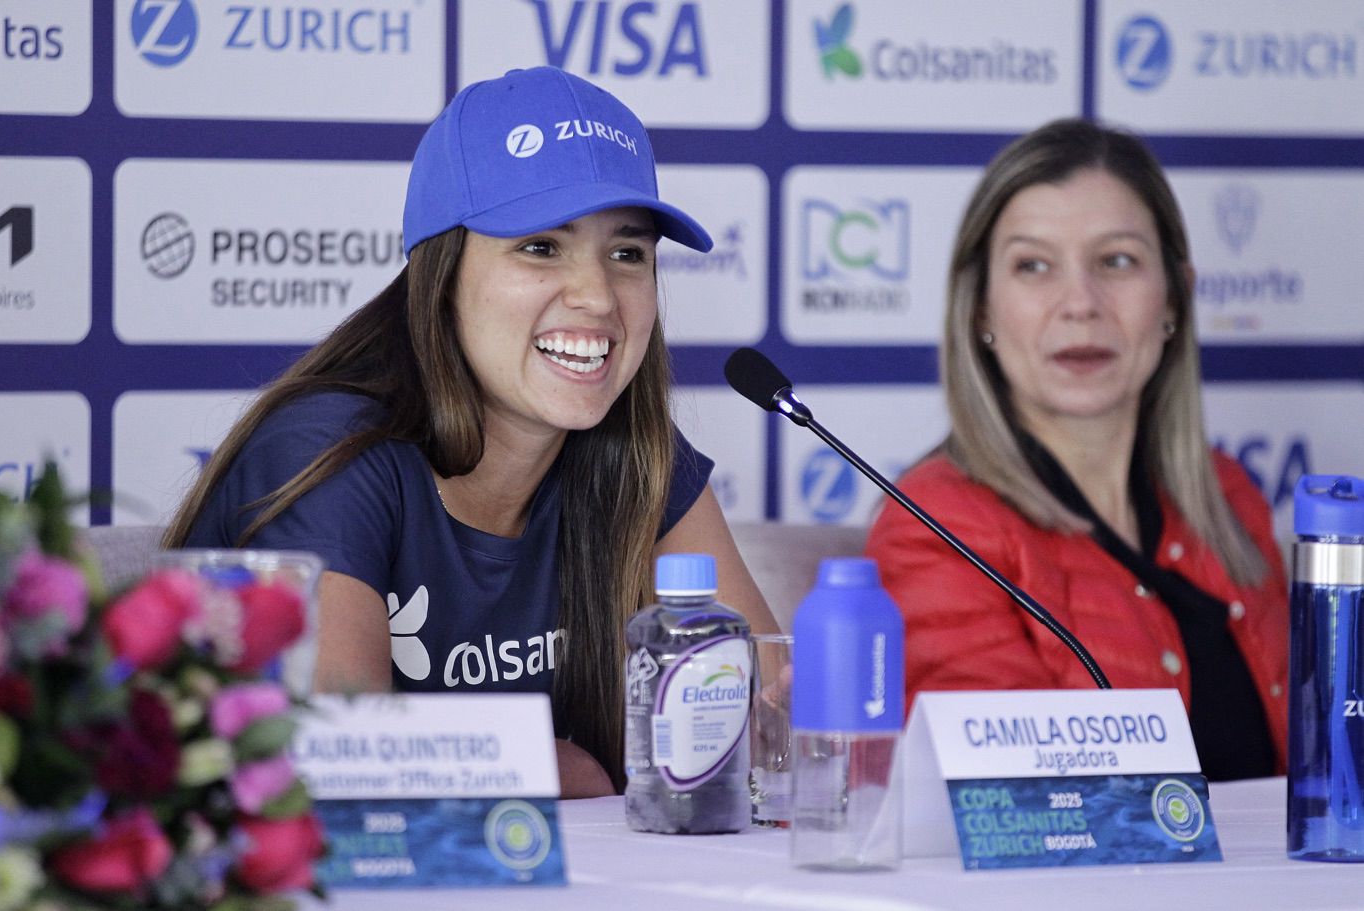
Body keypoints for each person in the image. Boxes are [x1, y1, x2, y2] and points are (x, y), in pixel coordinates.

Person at [163, 66, 777, 797]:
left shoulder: (637, 450)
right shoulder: (330, 450)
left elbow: (766, 728)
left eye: (627, 254)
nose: (597, 297)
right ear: (443, 272)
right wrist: (566, 767)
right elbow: (339, 764)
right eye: (540, 246)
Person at [863, 118, 1288, 780]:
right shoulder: (933, 527)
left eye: (1117, 261)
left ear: (1176, 297)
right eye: (1033, 266)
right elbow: (1007, 803)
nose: (1080, 304)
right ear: (980, 310)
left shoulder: (1230, 495)